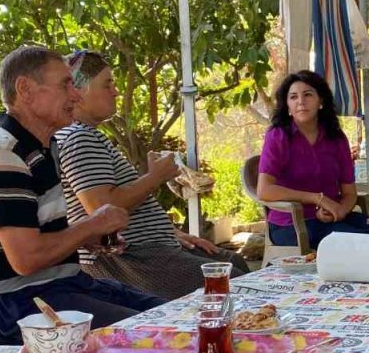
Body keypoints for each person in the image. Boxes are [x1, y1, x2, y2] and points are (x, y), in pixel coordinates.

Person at [0, 46, 166, 345]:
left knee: (171, 317)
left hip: (57, 288)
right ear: (25, 89)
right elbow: (26, 259)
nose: (76, 95)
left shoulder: (39, 148)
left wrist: (86, 237)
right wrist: (92, 225)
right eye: (65, 85)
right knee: (153, 337)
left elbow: (35, 244)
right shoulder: (4, 155)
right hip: (19, 304)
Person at [55, 50, 250, 299]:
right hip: (130, 259)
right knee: (230, 282)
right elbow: (102, 210)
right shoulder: (79, 138)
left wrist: (173, 234)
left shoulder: (86, 136)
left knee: (233, 262)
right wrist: (154, 178)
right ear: (79, 92)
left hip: (146, 251)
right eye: (108, 83)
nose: (115, 91)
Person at [257, 70, 369, 250]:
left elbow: (349, 193)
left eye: (307, 94)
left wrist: (338, 211)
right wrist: (318, 199)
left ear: (321, 100)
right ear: (287, 106)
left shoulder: (336, 138)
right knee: (358, 242)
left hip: (332, 221)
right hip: (291, 225)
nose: (300, 102)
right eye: (293, 97)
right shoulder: (278, 136)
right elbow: (264, 190)